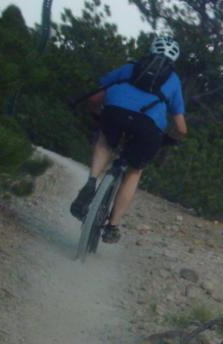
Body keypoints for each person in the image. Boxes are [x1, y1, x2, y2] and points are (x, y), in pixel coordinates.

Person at [69, 34, 187, 242]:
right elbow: (181, 127)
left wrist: (97, 114)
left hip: (115, 113)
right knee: (134, 171)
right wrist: (172, 139)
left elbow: (96, 96)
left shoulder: (131, 66)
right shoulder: (173, 80)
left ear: (151, 50)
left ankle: (91, 182)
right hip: (148, 127)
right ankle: (112, 226)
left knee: (105, 142)